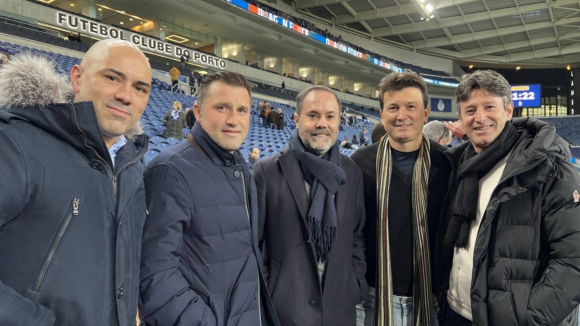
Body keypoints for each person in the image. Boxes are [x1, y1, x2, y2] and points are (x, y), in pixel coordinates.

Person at [0, 39, 151, 325]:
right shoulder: (14, 143)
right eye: (112, 77)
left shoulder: (132, 167)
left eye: (140, 88)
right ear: (77, 78)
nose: (126, 96)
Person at [436, 70, 580, 326]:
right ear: (460, 117)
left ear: (509, 110)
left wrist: (528, 317)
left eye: (489, 106)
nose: (480, 118)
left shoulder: (549, 168)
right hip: (455, 312)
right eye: (470, 110)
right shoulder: (456, 166)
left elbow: (573, 260)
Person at [139, 71, 280, 326]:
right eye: (222, 107)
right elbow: (155, 278)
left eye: (242, 110)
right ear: (198, 111)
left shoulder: (242, 171)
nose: (233, 119)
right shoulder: (170, 171)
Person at [253, 85, 367, 326]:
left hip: (339, 307)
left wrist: (355, 282)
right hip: (285, 310)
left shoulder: (352, 172)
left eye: (330, 116)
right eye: (313, 115)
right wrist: (271, 290)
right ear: (297, 119)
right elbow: (255, 243)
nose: (321, 123)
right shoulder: (267, 171)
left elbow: (356, 235)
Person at [350, 72, 451, 326]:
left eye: (411, 107)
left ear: (425, 114)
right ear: (382, 114)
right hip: (373, 300)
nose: (401, 115)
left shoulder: (448, 163)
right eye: (393, 107)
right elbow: (351, 231)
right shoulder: (359, 163)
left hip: (433, 301)